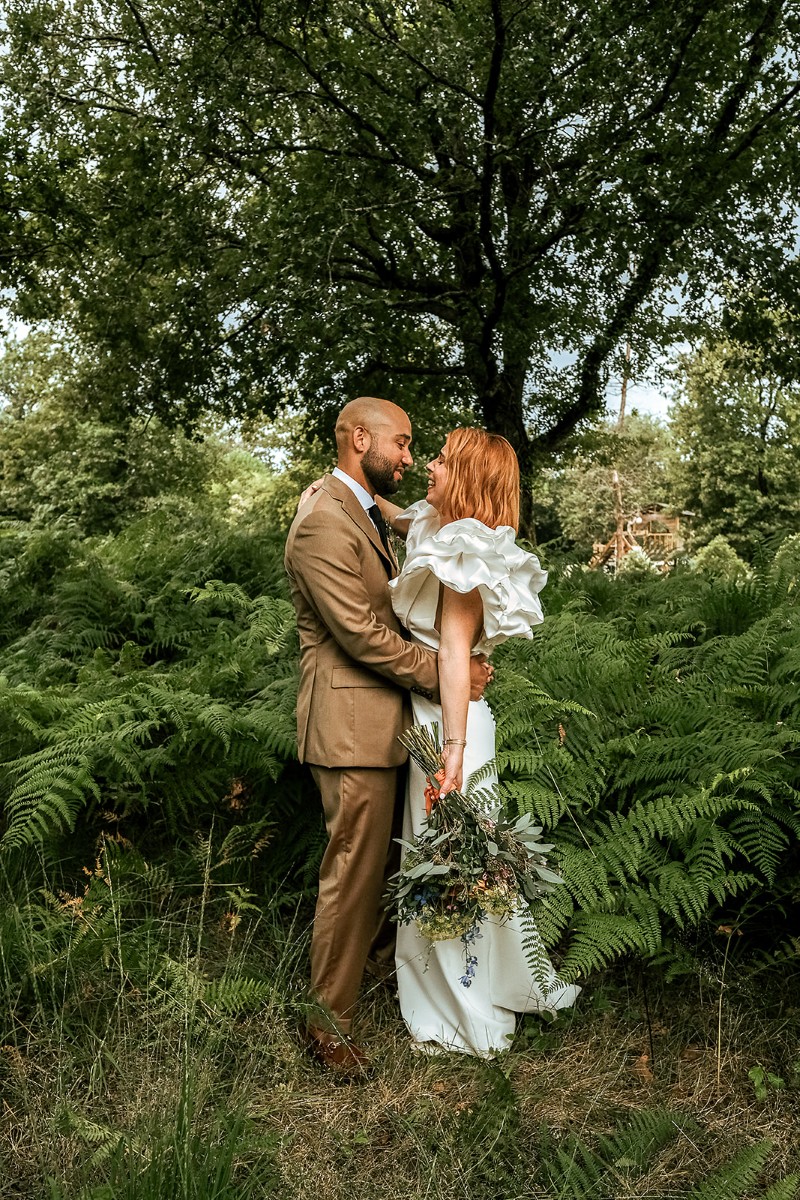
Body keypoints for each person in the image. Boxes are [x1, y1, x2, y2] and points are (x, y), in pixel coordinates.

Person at [284, 398, 491, 1075]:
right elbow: (361, 636)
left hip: (387, 725)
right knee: (353, 873)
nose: (409, 457)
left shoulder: (357, 507)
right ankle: (327, 1023)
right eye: (402, 444)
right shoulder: (323, 523)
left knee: (391, 867)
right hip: (350, 727)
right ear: (360, 438)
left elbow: (415, 526)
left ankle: (374, 981)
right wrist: (448, 674)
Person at [380, 427, 580, 1057]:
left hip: (449, 729)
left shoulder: (463, 557)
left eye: (440, 458)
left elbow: (457, 652)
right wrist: (345, 489)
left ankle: (461, 1008)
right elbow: (392, 511)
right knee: (444, 860)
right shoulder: (441, 532)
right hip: (444, 722)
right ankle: (455, 988)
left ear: (464, 477)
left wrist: (454, 750)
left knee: (450, 868)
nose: (429, 466)